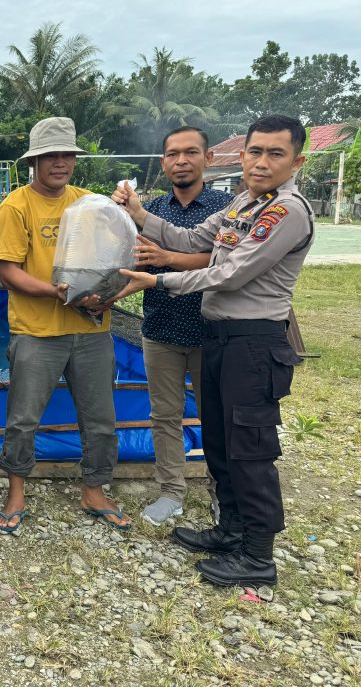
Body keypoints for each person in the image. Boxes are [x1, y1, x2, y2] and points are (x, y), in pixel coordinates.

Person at [113, 114, 313, 587]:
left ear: (296, 161)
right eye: (256, 151)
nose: (262, 163)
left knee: (251, 449)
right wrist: (140, 215)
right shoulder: (246, 202)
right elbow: (189, 240)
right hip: (221, 337)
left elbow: (229, 273)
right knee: (221, 440)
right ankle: (231, 531)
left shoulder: (286, 211)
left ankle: (258, 558)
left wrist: (159, 279)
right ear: (241, 155)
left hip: (255, 341)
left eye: (276, 154)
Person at [0, 117, 130, 533]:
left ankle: (95, 488)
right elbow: (8, 272)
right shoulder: (16, 206)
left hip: (91, 330)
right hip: (37, 332)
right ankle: (16, 490)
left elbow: (114, 259)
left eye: (66, 154)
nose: (59, 162)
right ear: (34, 162)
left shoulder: (90, 203)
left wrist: (107, 293)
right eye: (50, 155)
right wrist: (57, 292)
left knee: (100, 417)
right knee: (23, 418)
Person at [136, 127, 233, 526]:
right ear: (163, 163)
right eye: (173, 154)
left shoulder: (228, 207)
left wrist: (167, 257)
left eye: (190, 152)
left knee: (218, 416)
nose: (181, 161)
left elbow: (225, 262)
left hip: (211, 328)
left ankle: (222, 492)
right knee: (164, 415)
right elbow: (142, 261)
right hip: (160, 327)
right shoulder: (153, 209)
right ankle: (171, 491)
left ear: (208, 158)